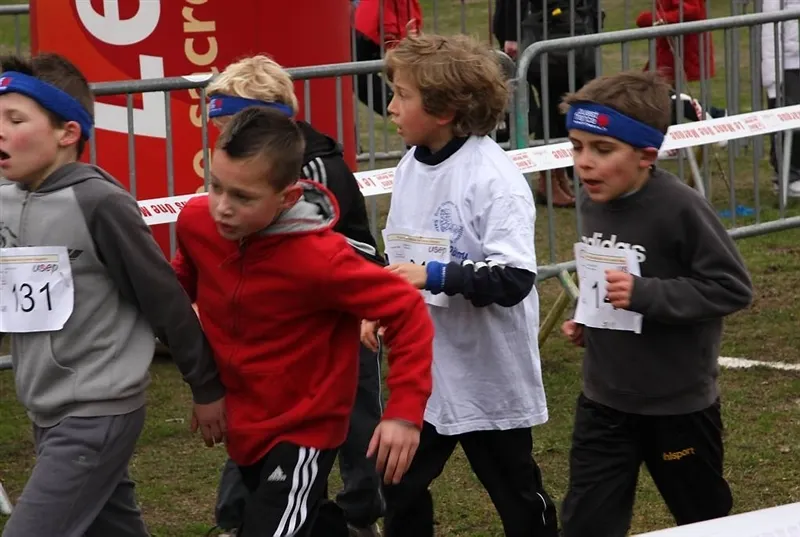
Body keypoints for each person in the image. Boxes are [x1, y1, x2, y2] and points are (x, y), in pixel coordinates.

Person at [172, 106, 435, 537]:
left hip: (305, 428)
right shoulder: (195, 222)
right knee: (309, 522)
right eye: (215, 186)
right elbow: (179, 288)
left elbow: (406, 308)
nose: (222, 208)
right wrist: (205, 386)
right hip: (244, 421)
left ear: (288, 198)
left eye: (243, 197)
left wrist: (404, 411)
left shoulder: (322, 259)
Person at [0, 53, 226, 537]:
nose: (0, 131)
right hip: (45, 406)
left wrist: (206, 386)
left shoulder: (99, 203)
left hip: (97, 407)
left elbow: (164, 298)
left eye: (15, 120)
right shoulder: (6, 197)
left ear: (67, 133)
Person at [363, 33, 559, 537]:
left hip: (487, 372)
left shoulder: (493, 179)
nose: (391, 107)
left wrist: (433, 275)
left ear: (445, 110)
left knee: (516, 493)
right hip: (425, 370)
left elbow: (514, 278)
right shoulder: (410, 164)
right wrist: (378, 305)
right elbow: (401, 255)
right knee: (397, 484)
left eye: (402, 95)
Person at [558, 70, 754, 537]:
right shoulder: (591, 200)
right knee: (586, 523)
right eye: (576, 147)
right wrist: (590, 316)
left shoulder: (681, 208)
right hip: (603, 400)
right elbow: (605, 273)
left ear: (646, 156)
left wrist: (646, 294)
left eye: (602, 150)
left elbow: (731, 287)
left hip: (676, 406)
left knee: (703, 520)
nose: (584, 163)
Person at [198, 55, 387, 537]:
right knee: (263, 418)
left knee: (356, 420)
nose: (225, 140)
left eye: (230, 126)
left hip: (341, 321)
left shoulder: (315, 168)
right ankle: (241, 516)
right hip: (283, 328)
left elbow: (342, 255)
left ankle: (361, 513)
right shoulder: (249, 172)